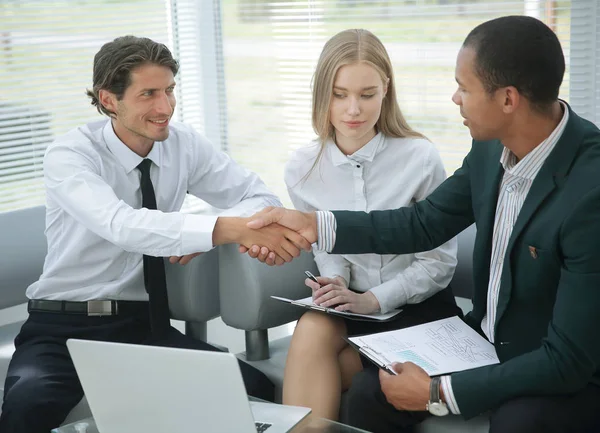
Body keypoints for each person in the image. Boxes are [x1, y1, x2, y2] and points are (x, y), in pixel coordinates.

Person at [245, 16, 600, 433]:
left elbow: (568, 360)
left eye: (464, 88)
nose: (454, 98)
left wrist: (438, 393)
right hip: (482, 343)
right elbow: (423, 223)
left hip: (556, 364)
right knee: (367, 393)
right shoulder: (490, 149)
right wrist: (314, 224)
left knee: (517, 423)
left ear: (507, 99)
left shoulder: (590, 191)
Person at [0, 35, 310, 433]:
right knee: (29, 404)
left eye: (169, 91)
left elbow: (258, 195)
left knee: (256, 391)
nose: (165, 108)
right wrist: (216, 230)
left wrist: (200, 234)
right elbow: (121, 225)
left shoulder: (183, 146)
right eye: (148, 94)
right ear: (109, 99)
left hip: (144, 328)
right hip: (62, 327)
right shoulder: (70, 155)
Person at [280, 29, 461, 421]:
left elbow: (439, 263)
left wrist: (374, 300)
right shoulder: (302, 167)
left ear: (386, 91)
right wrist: (337, 281)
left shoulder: (420, 157)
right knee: (312, 324)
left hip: (417, 308)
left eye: (367, 94)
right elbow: (325, 246)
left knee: (339, 373)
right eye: (339, 94)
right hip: (351, 310)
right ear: (321, 93)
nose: (353, 110)